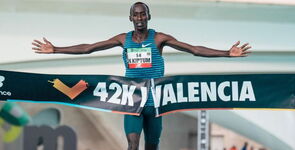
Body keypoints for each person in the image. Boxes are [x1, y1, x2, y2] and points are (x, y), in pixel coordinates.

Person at [32, 2, 251, 150]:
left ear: (148, 16)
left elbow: (193, 49)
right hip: (132, 99)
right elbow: (89, 48)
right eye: (135, 14)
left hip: (156, 101)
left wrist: (226, 54)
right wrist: (56, 49)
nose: (139, 17)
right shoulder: (122, 39)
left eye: (142, 14)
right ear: (130, 18)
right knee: (133, 145)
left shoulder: (159, 39)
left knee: (152, 146)